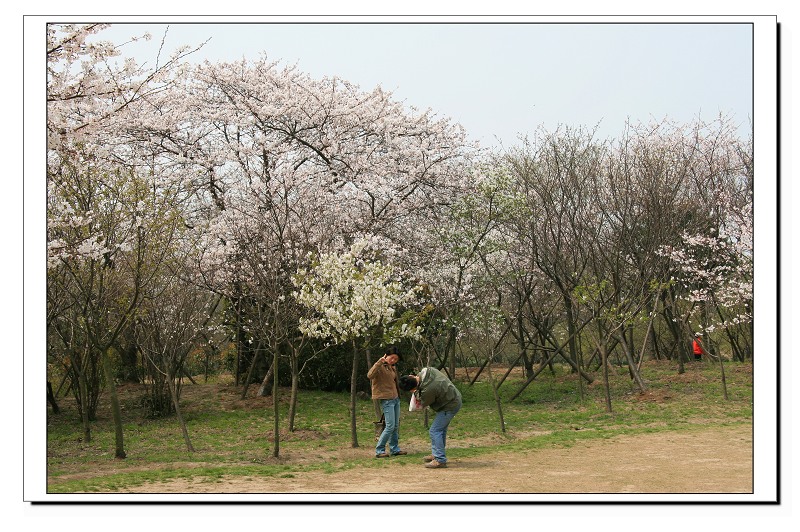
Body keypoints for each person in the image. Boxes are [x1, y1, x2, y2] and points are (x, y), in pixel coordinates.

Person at [399, 367, 462, 469]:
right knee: (440, 430)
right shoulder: (427, 371)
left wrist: (416, 393)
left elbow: (424, 402)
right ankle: (436, 454)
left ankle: (440, 459)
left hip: (450, 405)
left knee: (435, 430)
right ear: (411, 376)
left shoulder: (428, 389)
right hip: (453, 398)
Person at [367, 346, 407, 458]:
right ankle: (379, 450)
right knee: (389, 426)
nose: (393, 360)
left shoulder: (392, 367)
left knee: (395, 426)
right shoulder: (380, 366)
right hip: (387, 399)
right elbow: (370, 375)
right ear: (386, 355)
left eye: (396, 359)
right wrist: (380, 362)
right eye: (392, 358)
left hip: (395, 399)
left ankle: (394, 449)